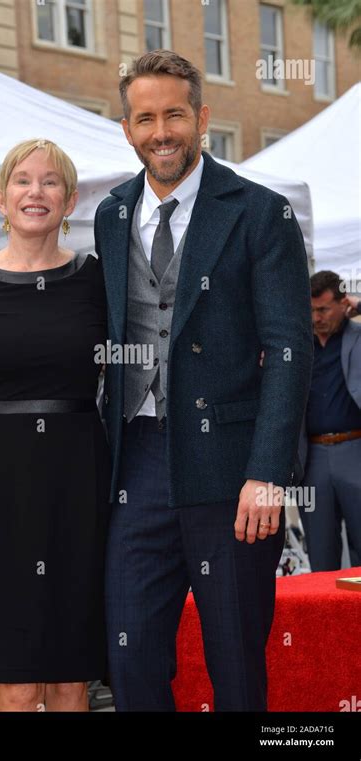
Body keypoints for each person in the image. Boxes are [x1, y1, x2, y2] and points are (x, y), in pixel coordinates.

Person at [94, 50, 313, 711]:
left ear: (202, 117)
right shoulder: (110, 214)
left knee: (236, 665)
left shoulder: (259, 212)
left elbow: (288, 350)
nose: (162, 131)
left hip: (232, 471)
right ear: (128, 128)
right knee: (129, 659)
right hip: (134, 464)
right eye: (146, 118)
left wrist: (268, 472)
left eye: (175, 115)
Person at [0, 139, 111, 712]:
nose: (37, 192)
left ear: (72, 200)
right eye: (23, 181)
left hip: (80, 487)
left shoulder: (97, 281)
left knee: (70, 678)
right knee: (16, 681)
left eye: (51, 181)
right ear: (1, 198)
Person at [298, 271, 361, 571]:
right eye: (310, 310)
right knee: (321, 555)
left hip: (355, 449)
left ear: (342, 303)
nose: (316, 317)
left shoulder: (357, 335)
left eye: (323, 309)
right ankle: (326, 617)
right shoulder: (297, 345)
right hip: (312, 459)